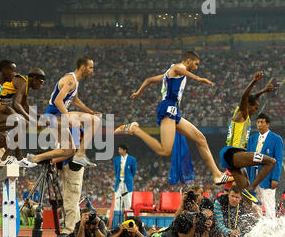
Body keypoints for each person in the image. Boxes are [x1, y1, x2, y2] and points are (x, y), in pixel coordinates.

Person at [119, 51, 232, 186]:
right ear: (189, 61)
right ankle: (136, 129)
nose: (196, 67)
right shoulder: (178, 68)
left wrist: (139, 92)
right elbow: (179, 69)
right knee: (165, 150)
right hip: (167, 107)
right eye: (196, 64)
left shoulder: (170, 73)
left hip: (174, 110)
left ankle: (217, 175)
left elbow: (149, 80)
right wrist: (198, 79)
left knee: (201, 139)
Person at [26, 56, 101, 167]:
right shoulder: (71, 80)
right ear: (82, 67)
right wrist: (68, 118)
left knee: (69, 150)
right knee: (95, 121)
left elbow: (75, 100)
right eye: (90, 68)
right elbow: (58, 101)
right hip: (54, 115)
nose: (92, 71)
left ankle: (35, 158)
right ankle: (80, 155)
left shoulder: (75, 81)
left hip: (56, 116)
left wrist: (90, 111)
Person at [218, 72, 277, 205]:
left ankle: (249, 223)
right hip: (233, 153)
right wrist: (254, 81)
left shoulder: (241, 113)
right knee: (271, 162)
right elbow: (245, 97)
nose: (256, 110)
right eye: (255, 108)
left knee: (247, 198)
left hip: (230, 157)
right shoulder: (243, 114)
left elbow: (251, 98)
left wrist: (263, 91)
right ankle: (251, 188)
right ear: (248, 106)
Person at [247, 113, 283, 218]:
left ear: (268, 124)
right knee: (255, 205)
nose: (259, 125)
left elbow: (278, 160)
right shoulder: (252, 138)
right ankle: (258, 228)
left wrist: (275, 178)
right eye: (258, 122)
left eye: (262, 122)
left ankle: (271, 228)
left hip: (267, 176)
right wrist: (247, 178)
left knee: (269, 204)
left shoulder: (276, 139)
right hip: (253, 176)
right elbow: (248, 159)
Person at [150, 209, 214, 237]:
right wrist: (194, 226)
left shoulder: (205, 226)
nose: (206, 219)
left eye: (209, 217)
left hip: (171, 232)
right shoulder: (185, 221)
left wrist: (207, 228)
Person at [111, 144, 137, 228]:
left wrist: (127, 178)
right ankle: (116, 224)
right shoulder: (116, 159)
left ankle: (129, 223)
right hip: (119, 183)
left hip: (128, 183)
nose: (118, 151)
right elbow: (116, 171)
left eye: (120, 149)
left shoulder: (132, 159)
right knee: (117, 203)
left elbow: (133, 171)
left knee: (128, 203)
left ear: (124, 150)